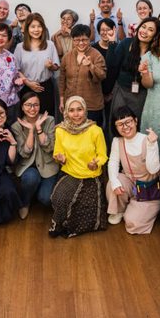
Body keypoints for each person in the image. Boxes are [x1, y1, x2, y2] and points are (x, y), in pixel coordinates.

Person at [49, 96, 108, 238]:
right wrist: (60, 158)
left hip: (91, 175)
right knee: (59, 198)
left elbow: (103, 155)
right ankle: (58, 225)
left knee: (83, 206)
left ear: (85, 110)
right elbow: (57, 152)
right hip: (70, 173)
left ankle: (69, 227)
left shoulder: (95, 130)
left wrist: (96, 163)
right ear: (66, 113)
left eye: (79, 110)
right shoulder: (61, 130)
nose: (76, 114)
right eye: (72, 110)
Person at [105, 107, 160, 234]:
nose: (125, 127)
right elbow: (113, 162)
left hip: (148, 188)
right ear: (116, 127)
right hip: (130, 182)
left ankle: (141, 209)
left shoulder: (147, 140)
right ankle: (120, 209)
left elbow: (153, 169)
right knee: (114, 180)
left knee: (132, 223)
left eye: (128, 122)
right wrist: (115, 182)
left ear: (135, 121)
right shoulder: (117, 141)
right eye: (120, 124)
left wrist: (152, 145)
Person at [11, 92, 58, 218]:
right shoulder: (16, 126)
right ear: (22, 107)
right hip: (28, 167)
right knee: (31, 178)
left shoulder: (49, 120)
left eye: (36, 105)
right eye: (28, 105)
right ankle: (25, 203)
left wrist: (38, 128)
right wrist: (31, 131)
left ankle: (36, 193)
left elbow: (50, 148)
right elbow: (25, 153)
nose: (32, 109)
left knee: (45, 198)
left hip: (47, 166)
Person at [106, 17, 160, 122]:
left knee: (136, 123)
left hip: (142, 94)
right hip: (121, 90)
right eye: (143, 27)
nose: (145, 31)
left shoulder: (156, 52)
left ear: (156, 35)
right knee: (118, 122)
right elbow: (112, 64)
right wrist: (112, 42)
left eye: (150, 30)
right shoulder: (126, 43)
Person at [59, 24, 107, 126]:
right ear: (72, 40)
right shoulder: (67, 57)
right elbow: (62, 80)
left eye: (84, 40)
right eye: (77, 40)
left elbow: (102, 76)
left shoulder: (96, 55)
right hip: (71, 105)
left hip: (92, 105)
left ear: (89, 39)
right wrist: (62, 100)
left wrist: (90, 65)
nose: (81, 43)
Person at [14, 13, 60, 116]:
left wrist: (51, 66)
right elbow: (16, 70)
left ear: (43, 28)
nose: (36, 30)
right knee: (28, 116)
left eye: (39, 26)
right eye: (33, 27)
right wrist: (28, 83)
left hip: (45, 87)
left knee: (47, 117)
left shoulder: (50, 45)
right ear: (27, 28)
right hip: (26, 87)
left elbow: (56, 66)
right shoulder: (20, 47)